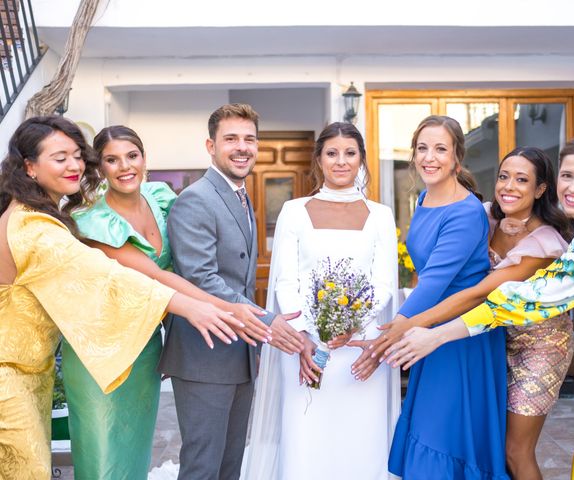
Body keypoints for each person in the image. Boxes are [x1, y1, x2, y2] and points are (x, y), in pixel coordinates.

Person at [0, 116, 243, 480]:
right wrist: (193, 307)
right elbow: (107, 277)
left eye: (76, 155)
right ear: (30, 167)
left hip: (32, 371)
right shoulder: (34, 228)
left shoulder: (37, 214)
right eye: (59, 157)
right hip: (10, 376)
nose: (74, 165)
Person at [387, 132, 574, 478]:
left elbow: (521, 301)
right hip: (553, 351)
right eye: (568, 176)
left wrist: (435, 334)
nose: (573, 187)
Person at [62, 125, 272, 479]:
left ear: (145, 158)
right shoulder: (93, 221)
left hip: (143, 342)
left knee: (134, 451)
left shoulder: (159, 197)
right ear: (100, 168)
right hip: (103, 349)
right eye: (112, 160)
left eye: (132, 156)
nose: (125, 167)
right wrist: (231, 308)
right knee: (104, 455)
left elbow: (192, 259)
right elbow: (157, 275)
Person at [357, 147, 574, 479]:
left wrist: (409, 324)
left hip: (539, 347)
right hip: (490, 336)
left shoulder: (545, 243)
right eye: (503, 177)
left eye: (521, 180)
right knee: (490, 439)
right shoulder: (482, 215)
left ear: (540, 189)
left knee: (515, 451)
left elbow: (478, 291)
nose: (509, 187)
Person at [241, 122, 400, 480]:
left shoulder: (381, 215)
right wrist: (305, 336)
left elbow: (384, 282)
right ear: (319, 160)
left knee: (361, 435)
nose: (341, 161)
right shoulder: (294, 210)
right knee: (306, 435)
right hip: (305, 346)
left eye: (350, 153)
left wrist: (349, 325)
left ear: (361, 160)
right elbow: (285, 278)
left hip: (359, 347)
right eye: (332, 153)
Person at [158, 103, 305, 480]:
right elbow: (202, 278)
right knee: (203, 465)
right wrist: (268, 322)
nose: (242, 147)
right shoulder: (195, 199)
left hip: (238, 352)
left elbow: (237, 279)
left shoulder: (240, 196)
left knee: (230, 464)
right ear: (211, 146)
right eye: (231, 139)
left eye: (250, 139)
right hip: (204, 353)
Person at [373, 115, 510, 479]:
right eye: (422, 148)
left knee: (444, 431)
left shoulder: (465, 213)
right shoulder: (424, 198)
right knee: (432, 424)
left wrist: (390, 332)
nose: (428, 157)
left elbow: (433, 282)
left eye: (439, 149)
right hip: (431, 325)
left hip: (460, 334)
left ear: (456, 157)